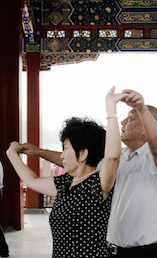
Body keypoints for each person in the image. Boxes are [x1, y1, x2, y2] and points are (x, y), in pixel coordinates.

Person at [20, 89, 157, 257]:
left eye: (130, 118)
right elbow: (78, 160)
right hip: (113, 251)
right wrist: (38, 152)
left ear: (146, 127)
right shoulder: (119, 158)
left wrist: (141, 108)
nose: (123, 122)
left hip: (151, 252)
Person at [7, 88, 123, 257]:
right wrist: (12, 154)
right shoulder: (65, 183)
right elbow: (32, 181)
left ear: (82, 153)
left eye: (65, 148)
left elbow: (112, 157)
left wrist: (111, 112)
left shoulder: (98, 185)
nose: (61, 155)